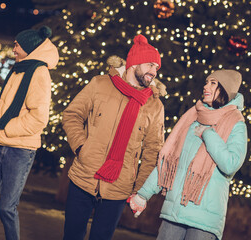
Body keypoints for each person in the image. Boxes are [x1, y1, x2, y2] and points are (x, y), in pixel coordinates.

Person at [61, 34, 165, 240]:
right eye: (150, 65)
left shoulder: (155, 105)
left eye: (156, 67)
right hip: (84, 176)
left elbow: (153, 149)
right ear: (133, 64)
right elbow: (72, 115)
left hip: (119, 187)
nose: (154, 72)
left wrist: (140, 189)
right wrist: (82, 148)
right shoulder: (99, 84)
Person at [129, 70, 247, 240]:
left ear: (225, 89)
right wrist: (143, 194)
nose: (205, 86)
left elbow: (230, 164)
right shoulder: (194, 116)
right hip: (174, 213)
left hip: (204, 222)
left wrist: (208, 134)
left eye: (213, 83)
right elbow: (170, 163)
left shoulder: (236, 124)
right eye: (206, 82)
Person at [0, 25, 59, 240]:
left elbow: (39, 118)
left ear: (28, 47)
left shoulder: (39, 73)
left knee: (6, 208)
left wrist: (6, 129)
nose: (13, 49)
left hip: (19, 150)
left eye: (16, 45)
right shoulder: (18, 69)